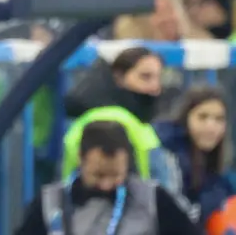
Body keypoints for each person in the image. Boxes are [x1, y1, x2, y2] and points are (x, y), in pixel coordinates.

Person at [15, 120, 201, 235]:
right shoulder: (50, 202)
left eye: (116, 175)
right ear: (80, 159)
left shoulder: (153, 199)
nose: (106, 184)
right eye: (98, 175)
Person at [63, 47, 182, 194]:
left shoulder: (131, 119)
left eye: (158, 78)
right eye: (145, 77)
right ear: (119, 77)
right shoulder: (111, 121)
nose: (155, 87)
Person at [154, 86, 235, 228]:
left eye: (219, 119)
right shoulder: (166, 159)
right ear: (185, 118)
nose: (211, 127)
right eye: (202, 117)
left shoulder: (220, 174)